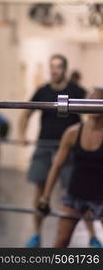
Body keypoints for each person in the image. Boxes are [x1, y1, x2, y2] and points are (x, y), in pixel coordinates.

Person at [18, 54, 89, 247]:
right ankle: (36, 234)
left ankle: (91, 236)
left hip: (70, 150)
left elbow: (91, 116)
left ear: (65, 69)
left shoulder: (77, 91)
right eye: (52, 67)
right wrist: (22, 135)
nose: (54, 70)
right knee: (40, 190)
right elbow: (25, 113)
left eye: (57, 67)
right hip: (44, 147)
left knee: (75, 192)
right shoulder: (42, 91)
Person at [38, 88, 103, 247]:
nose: (93, 106)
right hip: (75, 195)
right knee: (61, 241)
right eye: (90, 101)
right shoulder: (73, 132)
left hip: (101, 197)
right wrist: (45, 197)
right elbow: (57, 165)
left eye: (97, 102)